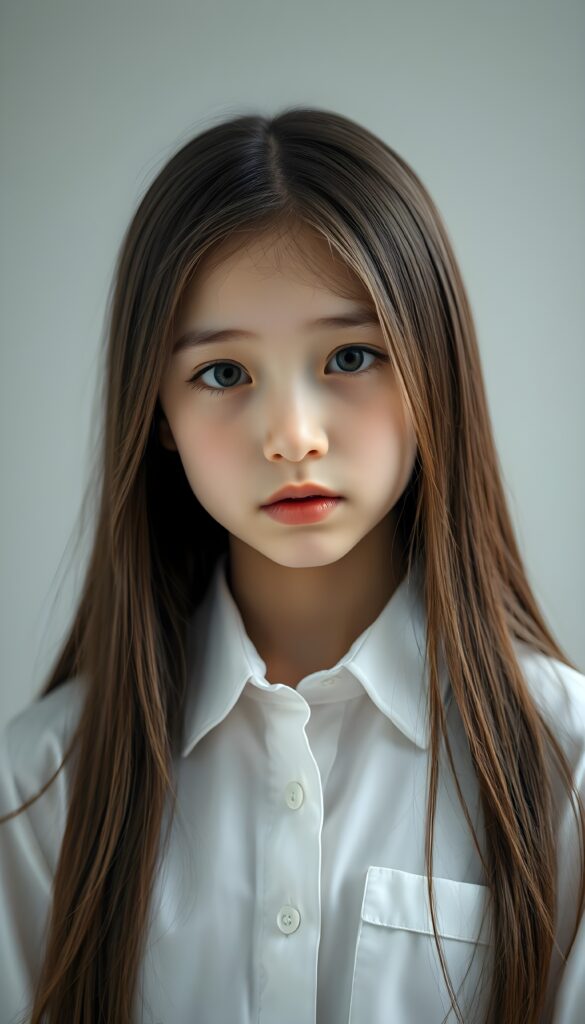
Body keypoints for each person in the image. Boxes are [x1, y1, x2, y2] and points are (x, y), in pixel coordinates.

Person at [1, 107, 584, 1024]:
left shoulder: (568, 769)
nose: (292, 437)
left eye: (349, 356)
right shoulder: (35, 792)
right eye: (224, 374)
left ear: (432, 371)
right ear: (156, 411)